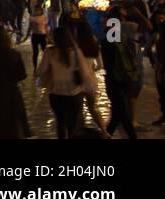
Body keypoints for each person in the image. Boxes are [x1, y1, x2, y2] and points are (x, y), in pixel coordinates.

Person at [37, 26, 96, 139]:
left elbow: (40, 71)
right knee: (73, 125)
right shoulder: (76, 51)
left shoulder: (50, 52)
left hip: (56, 93)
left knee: (60, 123)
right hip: (75, 93)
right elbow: (85, 70)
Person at [101, 9, 141, 139]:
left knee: (120, 112)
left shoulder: (109, 41)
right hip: (126, 78)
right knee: (119, 112)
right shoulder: (123, 39)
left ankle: (108, 135)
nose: (102, 22)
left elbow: (108, 63)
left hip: (115, 79)